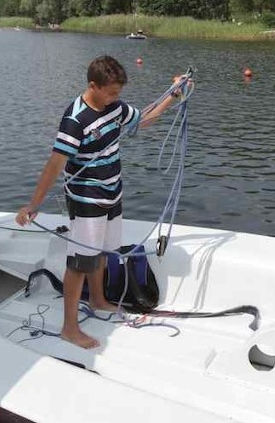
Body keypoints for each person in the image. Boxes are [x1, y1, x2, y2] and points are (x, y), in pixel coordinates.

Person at [16, 55, 188, 349]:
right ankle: (69, 328)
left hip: (113, 192)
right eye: (110, 92)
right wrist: (33, 204)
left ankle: (97, 299)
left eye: (118, 93)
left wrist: (173, 96)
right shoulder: (75, 119)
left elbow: (143, 120)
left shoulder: (115, 107)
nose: (115, 98)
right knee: (81, 262)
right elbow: (55, 164)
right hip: (86, 198)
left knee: (104, 252)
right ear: (93, 86)